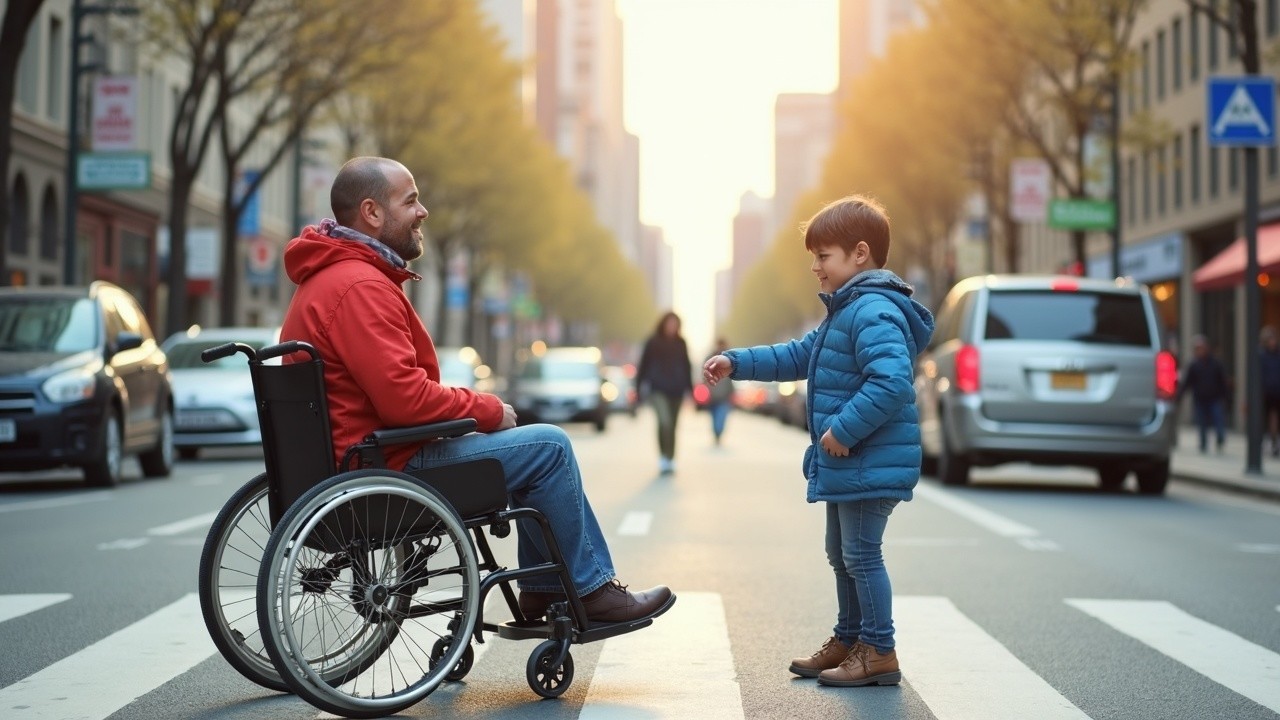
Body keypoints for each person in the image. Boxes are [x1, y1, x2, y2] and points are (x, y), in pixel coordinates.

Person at [279, 156, 674, 624]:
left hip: (363, 458)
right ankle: (587, 591)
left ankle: (545, 591)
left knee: (531, 450)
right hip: (388, 466)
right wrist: (486, 410)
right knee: (549, 446)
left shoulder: (330, 279)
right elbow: (403, 399)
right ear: (372, 212)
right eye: (410, 201)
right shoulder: (360, 286)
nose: (423, 211)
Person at [702, 194, 934, 688]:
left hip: (868, 456)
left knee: (861, 555)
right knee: (841, 551)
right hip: (852, 461)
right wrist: (737, 361)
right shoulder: (845, 311)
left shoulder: (871, 310)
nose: (814, 267)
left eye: (823, 256)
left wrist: (843, 430)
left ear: (860, 254)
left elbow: (892, 382)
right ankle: (850, 639)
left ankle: (879, 650)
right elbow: (796, 356)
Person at [636, 311, 693, 475]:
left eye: (675, 324)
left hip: (677, 389)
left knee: (673, 426)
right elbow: (643, 365)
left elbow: (686, 366)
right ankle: (663, 456)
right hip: (658, 389)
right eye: (669, 323)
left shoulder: (681, 343)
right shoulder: (653, 342)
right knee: (664, 422)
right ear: (663, 324)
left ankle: (670, 458)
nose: (672, 327)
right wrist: (638, 388)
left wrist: (690, 389)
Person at [1177, 334, 1230, 454]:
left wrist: (1226, 396)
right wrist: (1179, 396)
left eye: (1202, 348)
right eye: (1197, 349)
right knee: (1201, 422)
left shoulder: (1216, 363)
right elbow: (1187, 383)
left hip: (1214, 397)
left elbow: (1222, 381)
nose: (1200, 351)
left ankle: (1220, 438)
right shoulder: (1194, 365)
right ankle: (1203, 443)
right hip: (1200, 398)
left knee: (1218, 420)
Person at [706, 337, 736, 445]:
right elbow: (704, 377)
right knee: (714, 417)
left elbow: (733, 379)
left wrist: (732, 393)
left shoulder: (731, 359)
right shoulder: (710, 358)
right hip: (712, 396)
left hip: (724, 396)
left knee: (721, 418)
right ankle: (716, 433)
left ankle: (718, 433)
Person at [1261, 327, 1280, 457]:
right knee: (1267, 419)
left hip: (1277, 392)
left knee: (1274, 419)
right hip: (1266, 394)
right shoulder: (1261, 355)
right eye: (1269, 339)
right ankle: (1268, 444)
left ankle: (1274, 444)